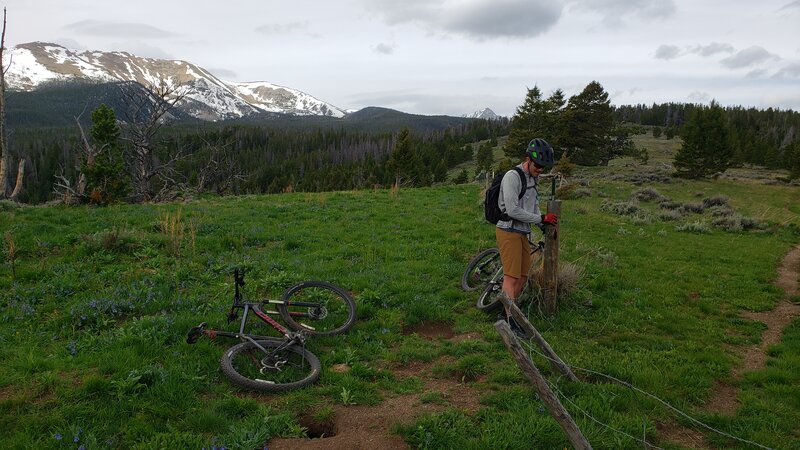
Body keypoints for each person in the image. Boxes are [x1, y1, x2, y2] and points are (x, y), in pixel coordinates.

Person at [495, 138, 558, 330]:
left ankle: (506, 309)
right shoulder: (513, 177)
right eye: (538, 165)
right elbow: (513, 210)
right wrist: (540, 219)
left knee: (523, 276)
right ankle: (510, 321)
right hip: (508, 230)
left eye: (543, 168)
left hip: (522, 231)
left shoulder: (532, 178)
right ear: (528, 159)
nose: (540, 170)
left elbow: (532, 204)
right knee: (511, 277)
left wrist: (541, 221)